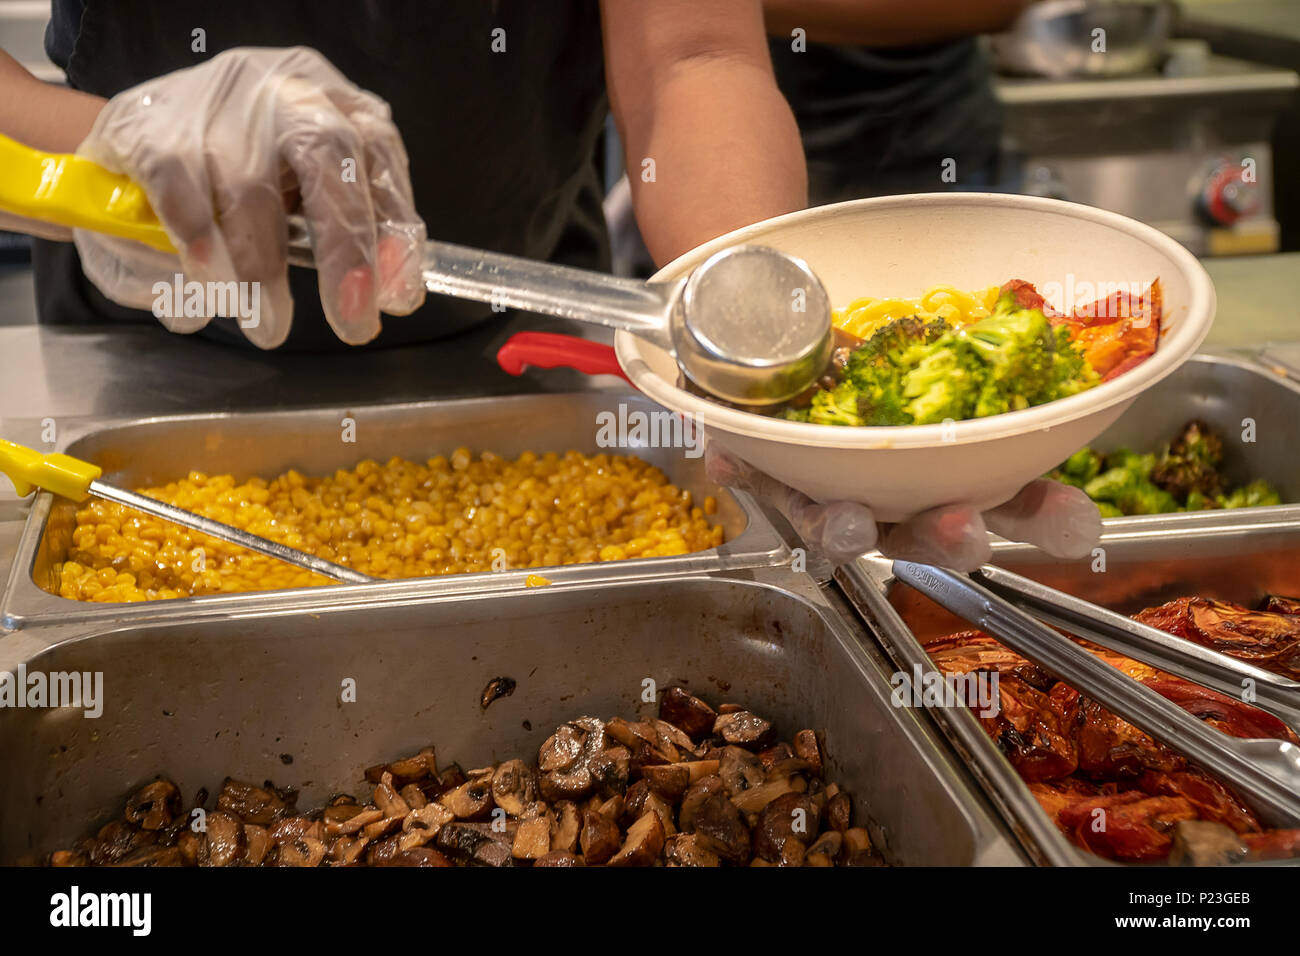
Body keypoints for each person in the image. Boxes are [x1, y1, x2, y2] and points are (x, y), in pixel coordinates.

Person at [0, 0, 1098, 570]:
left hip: (532, 350)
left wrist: (750, 347)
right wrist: (112, 139)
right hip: (146, 351)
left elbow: (693, 59)